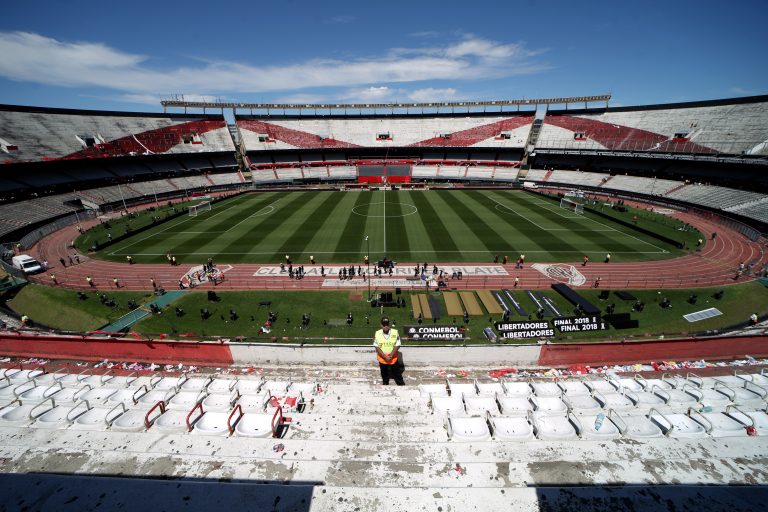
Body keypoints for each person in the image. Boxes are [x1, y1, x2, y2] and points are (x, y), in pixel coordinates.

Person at [373, 317, 404, 386]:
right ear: (381, 325)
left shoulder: (395, 332)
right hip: (382, 358)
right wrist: (384, 357)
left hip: (392, 358)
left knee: (397, 372)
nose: (386, 326)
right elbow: (376, 347)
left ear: (389, 324)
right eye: (384, 325)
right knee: (384, 373)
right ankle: (385, 383)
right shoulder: (377, 333)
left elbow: (398, 344)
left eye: (387, 324)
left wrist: (391, 355)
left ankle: (401, 384)